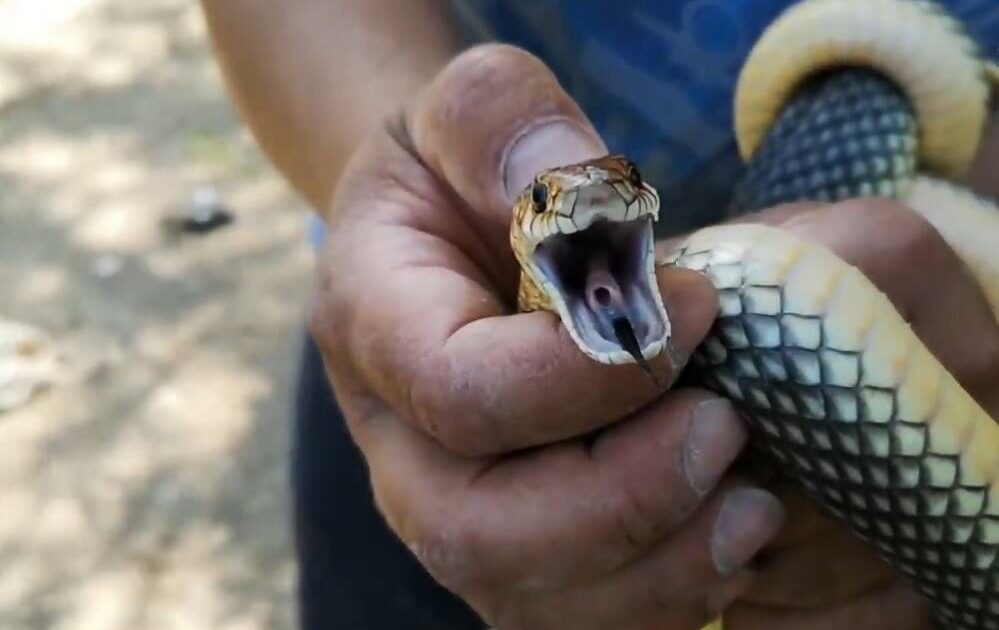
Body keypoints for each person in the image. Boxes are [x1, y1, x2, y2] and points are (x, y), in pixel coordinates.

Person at [199, 1, 999, 628]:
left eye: (611, 186)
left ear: (636, 203)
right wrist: (414, 205)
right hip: (436, 374)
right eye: (551, 195)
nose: (582, 193)